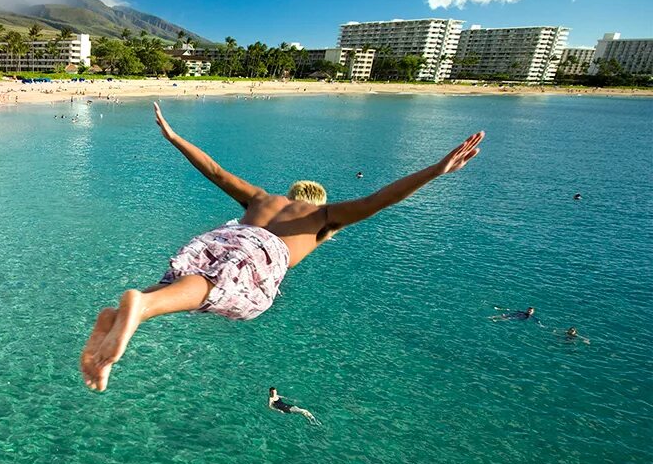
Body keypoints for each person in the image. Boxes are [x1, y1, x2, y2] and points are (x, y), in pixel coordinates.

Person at [79, 103, 485, 391]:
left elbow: (214, 170)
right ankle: (140, 305)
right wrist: (436, 170)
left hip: (223, 235)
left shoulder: (261, 198)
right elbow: (379, 199)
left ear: (291, 193)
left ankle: (119, 316)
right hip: (260, 253)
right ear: (318, 201)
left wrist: (174, 136)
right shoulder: (326, 217)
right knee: (231, 293)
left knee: (191, 281)